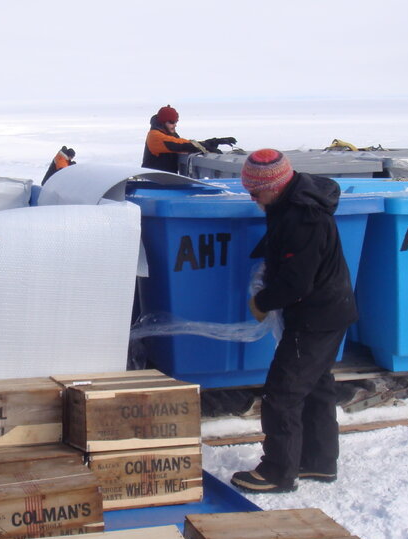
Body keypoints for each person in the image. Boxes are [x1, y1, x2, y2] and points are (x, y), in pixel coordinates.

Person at [231, 149, 357, 493]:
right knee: (316, 385)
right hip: (330, 310)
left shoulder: (303, 217)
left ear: (274, 186)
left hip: (316, 317)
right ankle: (318, 461)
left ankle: (277, 472)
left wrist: (262, 301)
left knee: (282, 393)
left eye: (255, 192)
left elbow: (298, 281)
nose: (252, 199)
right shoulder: (291, 203)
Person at [141, 104, 236, 173]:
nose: (175, 125)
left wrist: (213, 142)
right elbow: (180, 145)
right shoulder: (155, 136)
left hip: (165, 181)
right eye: (172, 122)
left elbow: (184, 142)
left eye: (176, 121)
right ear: (163, 122)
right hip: (152, 182)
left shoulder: (168, 134)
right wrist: (204, 147)